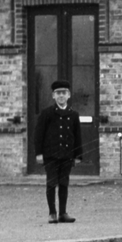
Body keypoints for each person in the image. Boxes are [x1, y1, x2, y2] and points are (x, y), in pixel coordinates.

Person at [33, 79, 84, 224]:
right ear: (53, 96)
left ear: (69, 95)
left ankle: (63, 212)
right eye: (58, 93)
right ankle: (52, 213)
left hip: (67, 155)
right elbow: (39, 134)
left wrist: (78, 155)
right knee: (51, 183)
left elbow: (77, 135)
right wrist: (39, 153)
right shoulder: (47, 113)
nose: (61, 96)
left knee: (64, 183)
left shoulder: (73, 114)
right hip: (51, 155)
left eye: (64, 93)